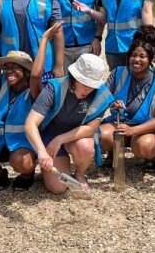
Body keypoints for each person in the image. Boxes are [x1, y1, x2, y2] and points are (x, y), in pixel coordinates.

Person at [0, 23, 61, 191]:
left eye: (15, 67)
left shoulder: (34, 89)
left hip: (23, 143)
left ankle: (26, 175)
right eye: (6, 67)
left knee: (22, 163)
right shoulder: (0, 81)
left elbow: (37, 74)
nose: (9, 71)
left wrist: (44, 39)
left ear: (26, 71)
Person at [25, 54, 113, 194]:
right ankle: (47, 166)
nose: (88, 90)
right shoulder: (54, 88)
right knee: (58, 188)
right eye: (84, 84)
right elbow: (30, 123)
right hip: (50, 134)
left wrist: (60, 139)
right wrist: (42, 152)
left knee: (86, 145)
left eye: (92, 86)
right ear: (74, 77)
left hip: (75, 138)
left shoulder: (102, 96)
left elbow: (90, 129)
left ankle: (79, 173)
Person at [98, 25, 155, 173]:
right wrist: (112, 103)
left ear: (150, 58)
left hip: (145, 129)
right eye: (133, 55)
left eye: (142, 56)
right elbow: (101, 97)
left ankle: (151, 157)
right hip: (119, 125)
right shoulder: (118, 73)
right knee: (101, 136)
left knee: (145, 146)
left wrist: (133, 130)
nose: (137, 60)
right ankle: (112, 152)